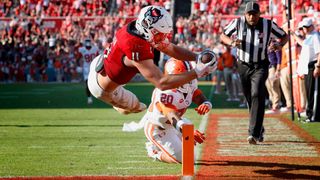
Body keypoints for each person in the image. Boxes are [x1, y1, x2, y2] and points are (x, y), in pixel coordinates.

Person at [87, 5, 216, 115]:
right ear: (149, 29)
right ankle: (117, 103)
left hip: (103, 63)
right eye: (160, 33)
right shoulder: (136, 45)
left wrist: (197, 57)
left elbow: (171, 49)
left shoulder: (139, 29)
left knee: (125, 62)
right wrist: (197, 72)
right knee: (137, 107)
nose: (164, 37)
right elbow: (162, 83)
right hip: (102, 88)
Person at [220, 1, 288, 144]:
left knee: (257, 92)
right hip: (243, 65)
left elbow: (284, 35)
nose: (252, 17)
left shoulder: (268, 24)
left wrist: (279, 44)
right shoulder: (238, 23)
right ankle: (259, 127)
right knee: (250, 98)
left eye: (255, 14)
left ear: (259, 14)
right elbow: (223, 35)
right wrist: (232, 43)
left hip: (260, 64)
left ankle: (254, 133)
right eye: (249, 14)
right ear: (245, 14)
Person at [143, 58, 211, 163]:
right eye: (184, 75)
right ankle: (154, 152)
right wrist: (188, 132)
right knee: (188, 159)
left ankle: (167, 144)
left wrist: (206, 104)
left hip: (177, 124)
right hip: (159, 129)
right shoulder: (165, 92)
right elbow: (172, 116)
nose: (189, 79)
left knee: (189, 149)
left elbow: (198, 96)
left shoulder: (189, 84)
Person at [292, 18, 320, 122]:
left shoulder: (315, 36)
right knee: (309, 92)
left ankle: (313, 116)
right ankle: (310, 114)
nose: (305, 29)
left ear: (312, 26)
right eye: (304, 27)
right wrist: (293, 35)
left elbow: (319, 53)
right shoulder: (309, 37)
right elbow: (302, 43)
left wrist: (318, 67)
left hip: (314, 66)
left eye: (307, 27)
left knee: (313, 92)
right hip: (308, 67)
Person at [78, 38, 100, 104]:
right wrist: (80, 65)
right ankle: (89, 98)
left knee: (96, 83)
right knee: (87, 84)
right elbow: (78, 58)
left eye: (89, 41)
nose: (88, 42)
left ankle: (96, 94)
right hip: (86, 68)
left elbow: (98, 58)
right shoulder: (82, 49)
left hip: (93, 67)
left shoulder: (95, 49)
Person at [265, 41, 282, 114]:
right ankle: (272, 104)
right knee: (269, 87)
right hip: (267, 68)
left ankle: (276, 105)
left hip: (273, 67)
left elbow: (279, 58)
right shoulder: (265, 45)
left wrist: (278, 69)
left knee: (274, 85)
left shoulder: (275, 44)